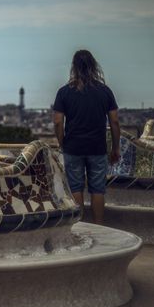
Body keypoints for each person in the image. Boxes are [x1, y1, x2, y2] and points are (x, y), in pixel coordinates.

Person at [53, 50, 120, 225]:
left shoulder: (64, 92)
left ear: (74, 67)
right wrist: (116, 148)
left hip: (73, 147)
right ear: (94, 66)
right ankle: (99, 227)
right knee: (98, 189)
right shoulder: (105, 91)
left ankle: (79, 227)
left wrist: (63, 143)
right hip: (97, 147)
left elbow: (58, 122)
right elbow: (114, 121)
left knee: (75, 188)